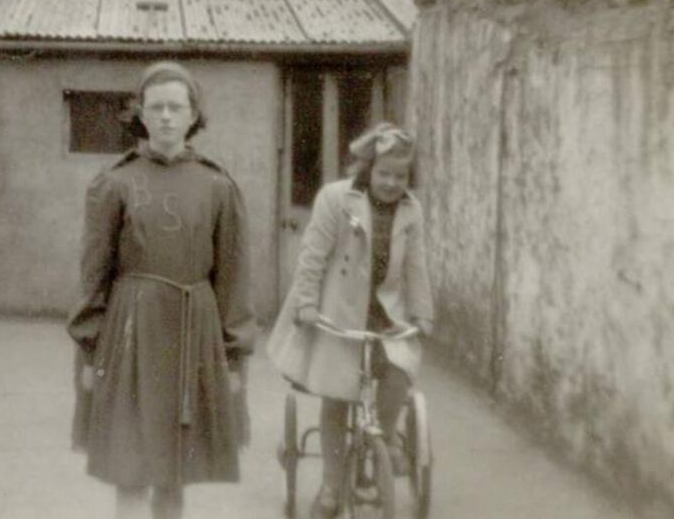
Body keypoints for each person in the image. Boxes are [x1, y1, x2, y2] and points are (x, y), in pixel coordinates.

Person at [67, 61, 257, 519]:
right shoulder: (114, 183)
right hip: (129, 335)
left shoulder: (218, 186)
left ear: (194, 115)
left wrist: (234, 357)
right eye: (157, 108)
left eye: (177, 107)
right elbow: (94, 273)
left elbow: (233, 278)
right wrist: (90, 352)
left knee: (175, 471)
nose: (167, 117)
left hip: (194, 336)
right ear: (141, 115)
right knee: (129, 466)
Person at [266, 122, 434, 518]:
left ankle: (387, 438)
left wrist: (423, 312)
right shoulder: (336, 199)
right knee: (338, 394)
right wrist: (306, 304)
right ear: (367, 169)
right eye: (384, 174)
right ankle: (331, 485)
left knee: (399, 368)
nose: (392, 183)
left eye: (401, 176)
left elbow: (416, 265)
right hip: (336, 307)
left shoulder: (411, 210)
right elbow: (313, 256)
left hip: (383, 309)